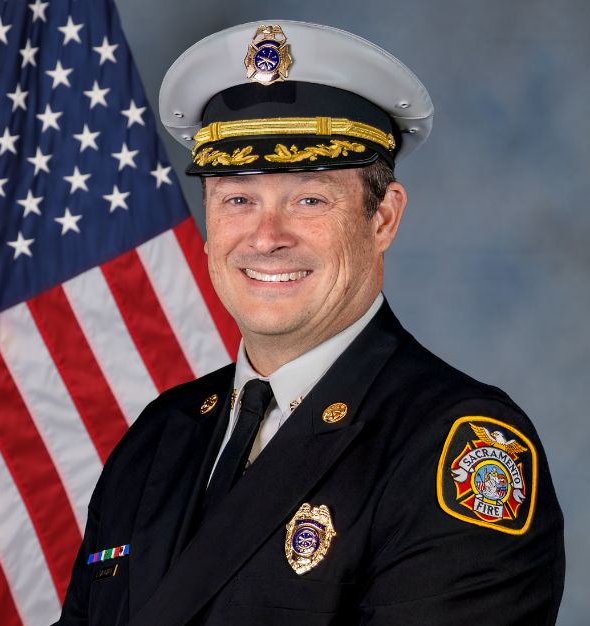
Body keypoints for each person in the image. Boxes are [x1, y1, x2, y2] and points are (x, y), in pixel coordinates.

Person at [55, 20, 564, 626]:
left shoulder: (454, 450)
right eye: (238, 198)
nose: (267, 238)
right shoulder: (157, 438)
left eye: (310, 198)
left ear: (383, 219)